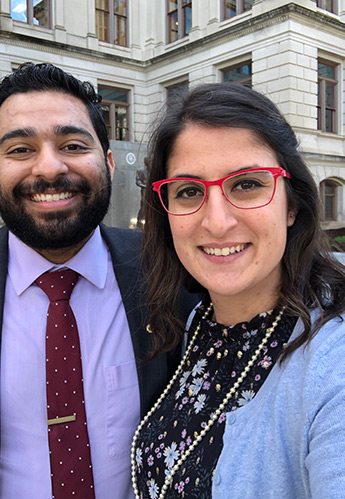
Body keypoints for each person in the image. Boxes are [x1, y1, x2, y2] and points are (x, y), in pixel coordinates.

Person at [0, 62, 197, 499]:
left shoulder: (171, 269)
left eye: (73, 144)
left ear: (109, 161)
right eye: (20, 149)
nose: (49, 168)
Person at [131, 83, 345, 498]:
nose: (217, 222)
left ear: (293, 204)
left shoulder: (332, 359)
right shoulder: (197, 322)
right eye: (189, 191)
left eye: (246, 184)